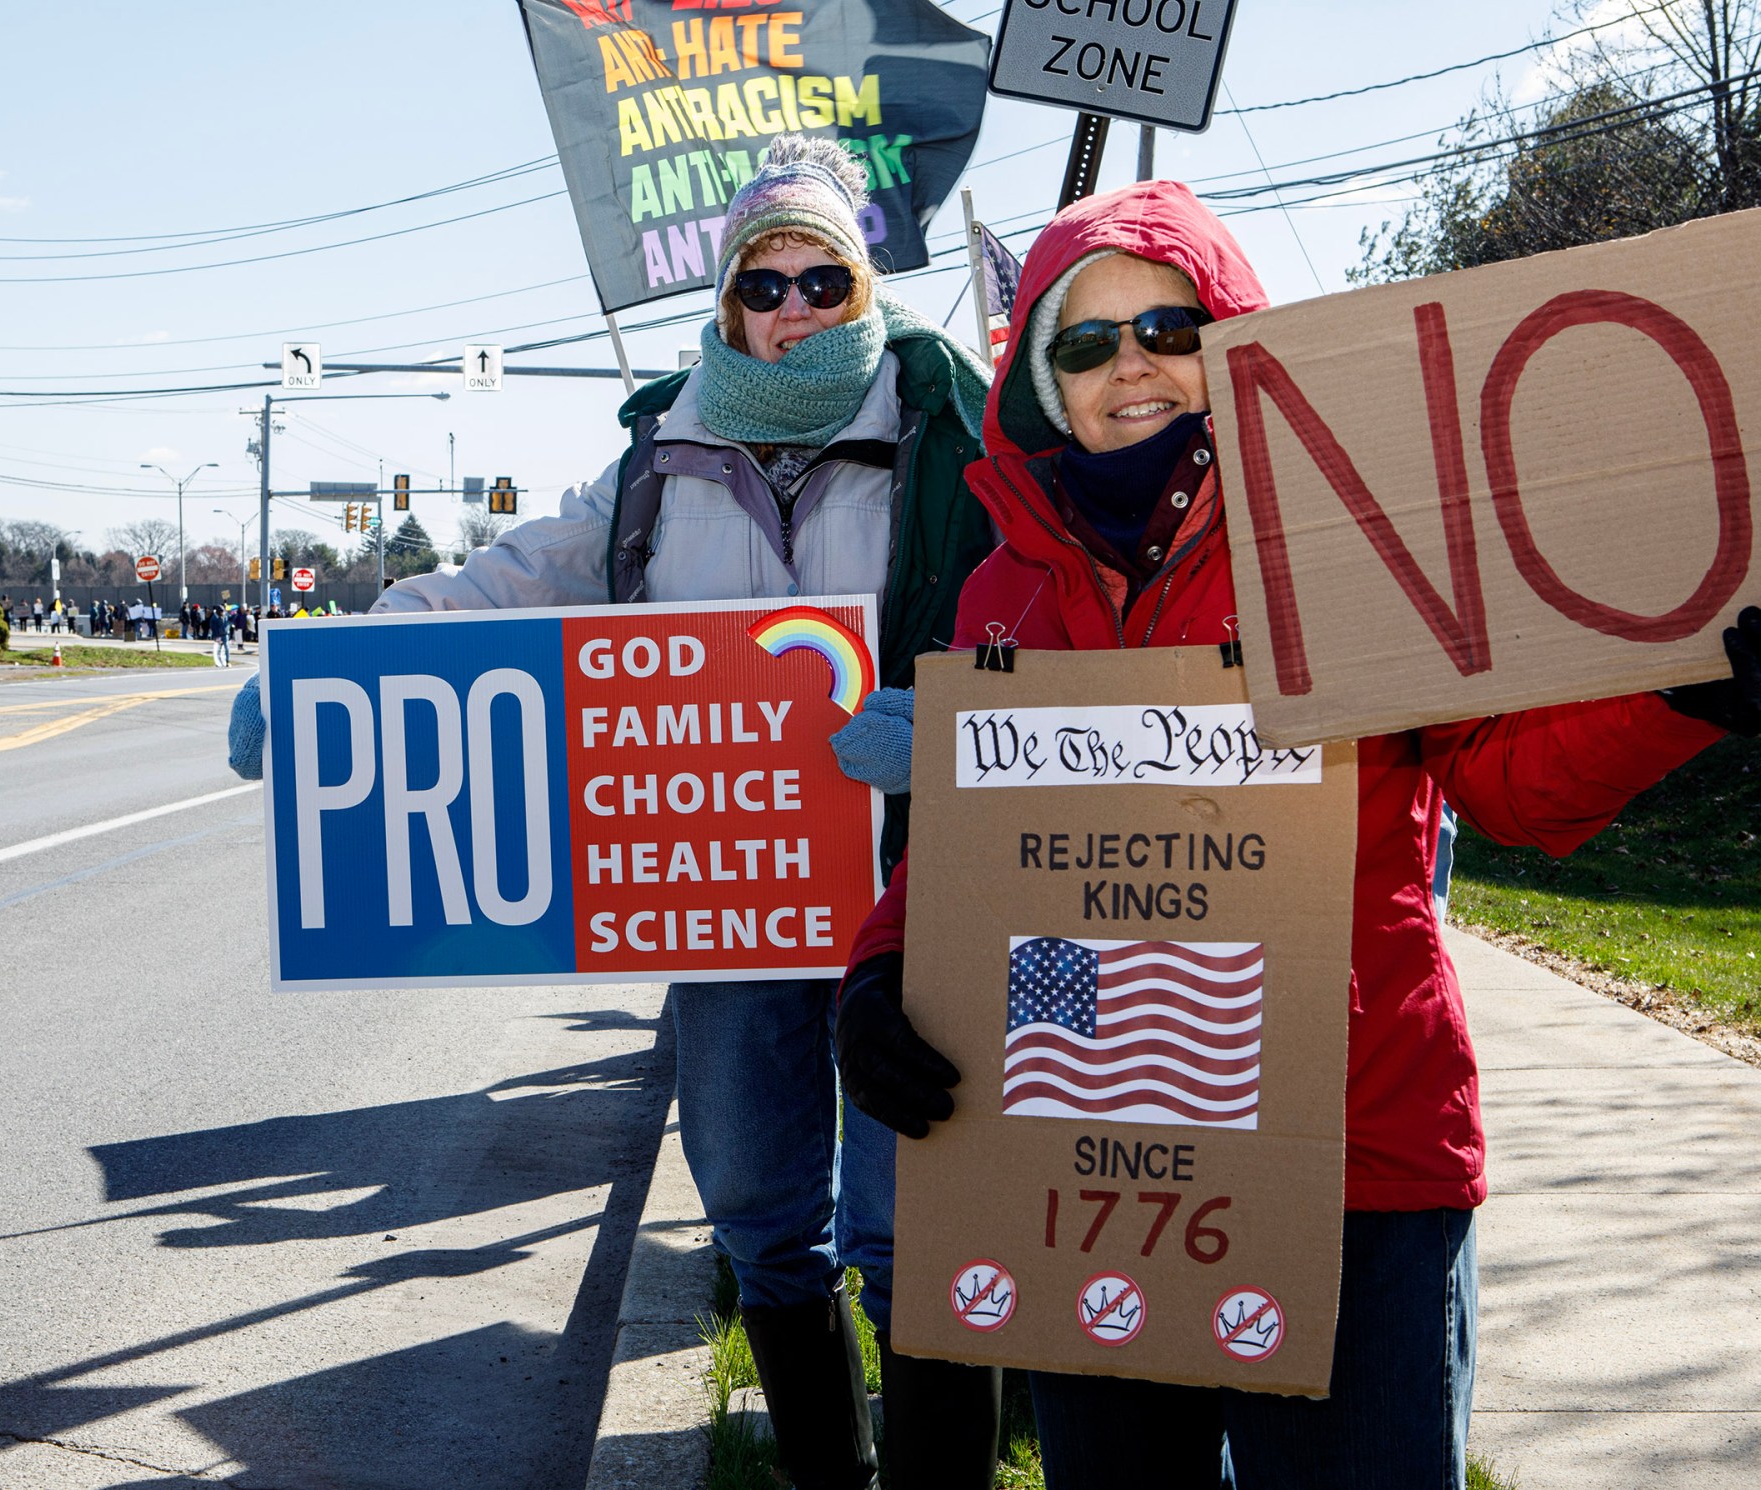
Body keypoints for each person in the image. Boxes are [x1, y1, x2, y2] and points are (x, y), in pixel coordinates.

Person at [831, 179, 1761, 1490]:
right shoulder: (1004, 587)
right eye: (1086, 344)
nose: (1132, 366)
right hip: (1091, 1156)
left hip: (1357, 1161)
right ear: (1046, 385)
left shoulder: (1355, 536)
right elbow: (980, 843)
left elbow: (1506, 786)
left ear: (1236, 349)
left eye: (1169, 326)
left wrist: (1680, 699)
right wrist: (881, 970)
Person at [227, 134, 1001, 1490]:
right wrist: (325, 674)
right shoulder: (662, 453)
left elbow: (1035, 622)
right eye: (764, 284)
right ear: (727, 302)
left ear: (860, 285)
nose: (792, 310)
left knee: (915, 1229)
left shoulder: (949, 430)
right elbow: (501, 584)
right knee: (764, 1219)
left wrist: (949, 729)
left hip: (913, 904)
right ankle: (831, 1473)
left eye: (822, 279)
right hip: (731, 914)